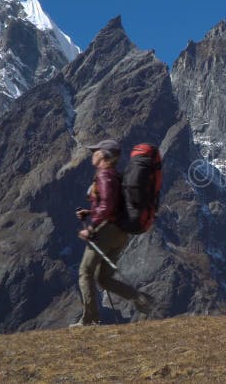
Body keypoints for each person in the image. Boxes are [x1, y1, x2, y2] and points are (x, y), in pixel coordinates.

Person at [70, 139, 153, 327]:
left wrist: (91, 227)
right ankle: (142, 299)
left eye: (96, 151)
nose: (93, 154)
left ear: (104, 155)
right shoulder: (116, 175)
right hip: (120, 233)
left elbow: (107, 206)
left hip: (106, 231)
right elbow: (112, 205)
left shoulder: (104, 175)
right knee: (104, 278)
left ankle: (89, 320)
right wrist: (90, 212)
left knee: (85, 272)